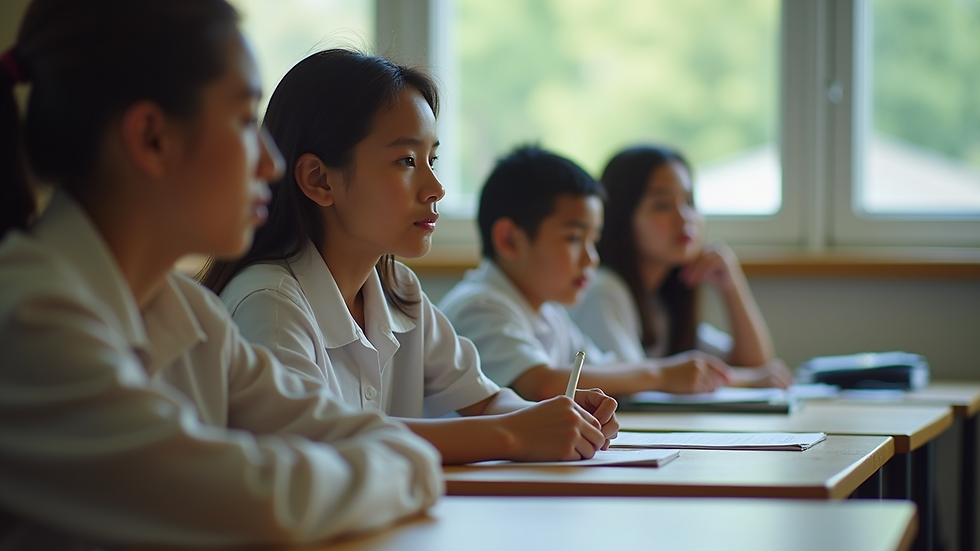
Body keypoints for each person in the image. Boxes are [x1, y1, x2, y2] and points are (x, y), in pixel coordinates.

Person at [0, 2, 444, 548]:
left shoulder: (191, 315)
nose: (271, 164)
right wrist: (402, 469)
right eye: (242, 121)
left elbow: (358, 437)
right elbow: (261, 504)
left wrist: (399, 461)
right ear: (152, 138)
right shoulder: (28, 318)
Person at [198, 50, 618, 466]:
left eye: (432, 159)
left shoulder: (399, 292)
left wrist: (553, 416)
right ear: (318, 179)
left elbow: (484, 399)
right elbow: (311, 443)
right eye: (406, 160)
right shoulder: (270, 302)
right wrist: (511, 435)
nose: (435, 187)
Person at [439, 145, 733, 402]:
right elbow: (542, 384)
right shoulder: (481, 306)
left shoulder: (550, 315)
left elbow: (608, 370)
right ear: (510, 240)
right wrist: (660, 374)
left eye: (593, 240)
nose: (591, 258)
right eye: (574, 239)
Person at [567, 145, 791, 388]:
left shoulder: (661, 301)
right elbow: (633, 386)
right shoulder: (604, 291)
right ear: (621, 218)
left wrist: (732, 287)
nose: (684, 217)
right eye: (662, 205)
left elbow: (757, 364)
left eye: (689, 201)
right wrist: (744, 381)